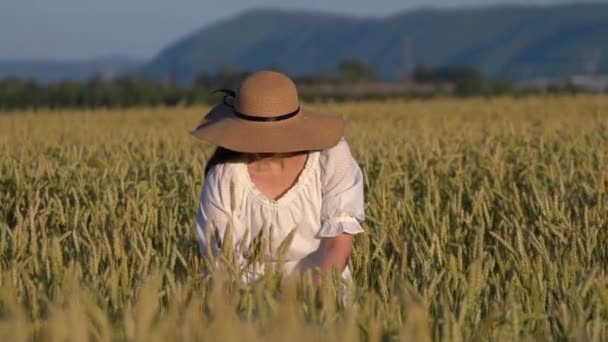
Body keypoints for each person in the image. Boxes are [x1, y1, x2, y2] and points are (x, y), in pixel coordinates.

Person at [191, 70, 365, 284]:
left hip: (325, 285)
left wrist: (313, 295)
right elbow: (224, 259)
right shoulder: (224, 176)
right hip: (244, 294)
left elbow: (338, 243)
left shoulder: (330, 156)